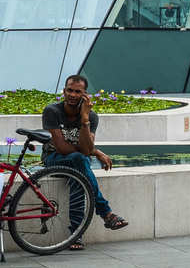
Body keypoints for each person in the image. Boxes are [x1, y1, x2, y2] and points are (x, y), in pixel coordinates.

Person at [42, 75, 129, 250]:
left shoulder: (91, 117)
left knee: (78, 178)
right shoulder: (52, 111)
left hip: (77, 164)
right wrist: (96, 152)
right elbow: (61, 148)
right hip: (53, 160)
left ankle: (76, 236)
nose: (72, 95)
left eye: (77, 92)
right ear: (64, 91)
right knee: (79, 160)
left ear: (85, 94)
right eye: (69, 90)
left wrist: (84, 119)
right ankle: (106, 213)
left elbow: (86, 148)